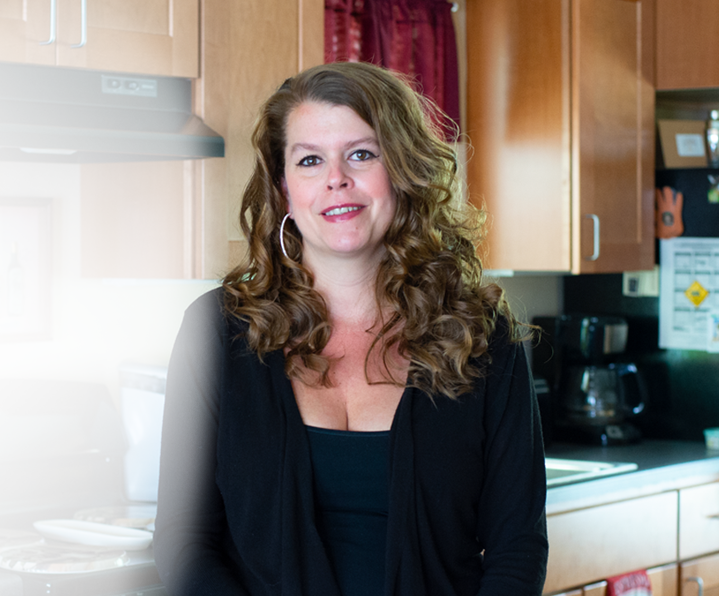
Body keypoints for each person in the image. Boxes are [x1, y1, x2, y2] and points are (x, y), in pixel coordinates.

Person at [153, 62, 548, 596]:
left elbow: (517, 546)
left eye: (362, 154)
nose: (336, 178)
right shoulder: (215, 332)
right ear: (283, 187)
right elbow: (184, 541)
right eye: (310, 160)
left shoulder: (477, 333)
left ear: (404, 170)